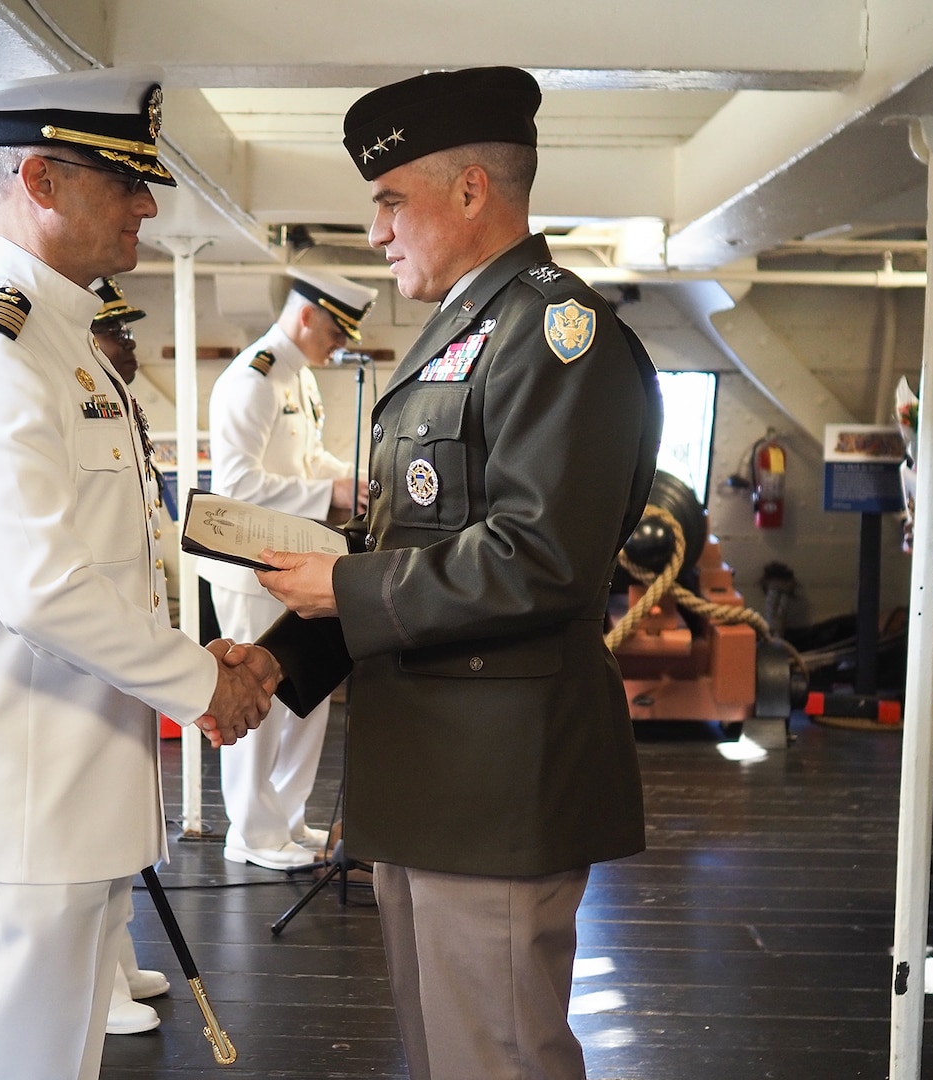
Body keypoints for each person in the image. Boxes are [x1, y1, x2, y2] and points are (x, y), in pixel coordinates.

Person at [241, 67, 663, 1079]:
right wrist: (274, 663)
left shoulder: (559, 339)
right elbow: (413, 540)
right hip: (435, 773)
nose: (377, 232)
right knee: (446, 1055)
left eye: (391, 201)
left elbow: (542, 559)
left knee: (498, 1057)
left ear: (473, 190)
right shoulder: (470, 335)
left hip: (497, 783)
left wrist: (338, 591)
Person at [0, 67, 272, 1080]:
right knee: (14, 1060)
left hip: (61, 781)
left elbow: (114, 566)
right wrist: (204, 686)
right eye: (126, 180)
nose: (149, 204)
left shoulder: (65, 337)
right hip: (18, 788)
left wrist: (196, 657)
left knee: (49, 1057)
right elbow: (44, 588)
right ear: (45, 181)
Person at [201, 267, 377, 870]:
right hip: (253, 566)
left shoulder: (296, 377)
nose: (339, 345)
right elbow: (238, 485)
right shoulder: (252, 380)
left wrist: (350, 480)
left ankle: (289, 820)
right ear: (306, 317)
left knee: (307, 690)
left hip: (300, 558)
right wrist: (330, 494)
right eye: (334, 331)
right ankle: (250, 831)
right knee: (257, 696)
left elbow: (305, 458)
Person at [86, 274, 173, 1034]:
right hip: (82, 673)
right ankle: (100, 989)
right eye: (119, 333)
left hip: (123, 662)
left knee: (116, 835)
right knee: (93, 837)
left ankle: (115, 961)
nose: (131, 345)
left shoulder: (119, 406)